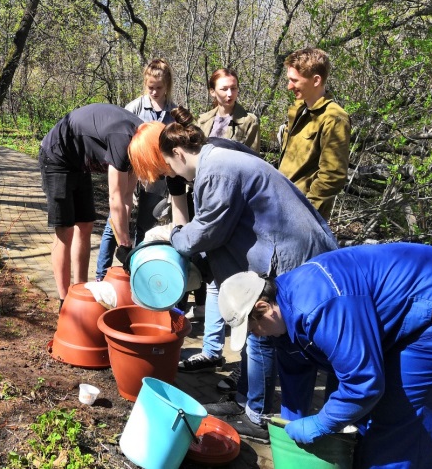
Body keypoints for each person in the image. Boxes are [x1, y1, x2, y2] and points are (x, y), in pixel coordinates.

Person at [130, 106, 337, 443]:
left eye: (166, 166)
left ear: (174, 153)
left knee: (262, 333)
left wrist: (171, 237)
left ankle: (257, 415)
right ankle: (244, 401)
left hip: (289, 253)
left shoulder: (218, 169)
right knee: (252, 332)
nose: (169, 175)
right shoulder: (210, 163)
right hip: (274, 248)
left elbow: (209, 230)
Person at [219, 243, 432, 469]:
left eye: (252, 329)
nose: (256, 336)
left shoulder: (319, 307)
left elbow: (363, 384)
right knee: (346, 408)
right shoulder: (283, 313)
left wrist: (321, 424)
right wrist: (290, 434)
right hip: (406, 307)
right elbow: (295, 376)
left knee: (397, 422)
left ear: (262, 308)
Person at [178, 69, 259, 380]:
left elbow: (250, 160)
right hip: (206, 201)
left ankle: (247, 361)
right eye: (224, 89)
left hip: (235, 205)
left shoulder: (248, 121)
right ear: (213, 92)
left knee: (241, 282)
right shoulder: (204, 119)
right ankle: (212, 351)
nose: (230, 94)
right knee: (213, 279)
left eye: (234, 88)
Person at [39, 103, 142, 303]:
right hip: (56, 157)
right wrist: (123, 243)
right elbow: (115, 199)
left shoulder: (141, 141)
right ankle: (64, 300)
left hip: (78, 162)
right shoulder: (123, 141)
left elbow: (128, 196)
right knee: (65, 231)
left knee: (85, 225)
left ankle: (81, 291)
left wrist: (126, 239)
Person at [95, 59, 180, 280]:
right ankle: (101, 274)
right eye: (150, 87)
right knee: (115, 221)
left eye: (159, 88)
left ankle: (138, 274)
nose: (154, 91)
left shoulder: (174, 112)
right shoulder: (134, 108)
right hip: (130, 172)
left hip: (156, 178)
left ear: (167, 86)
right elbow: (120, 144)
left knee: (145, 225)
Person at [278, 47, 350, 220]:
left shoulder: (334, 118)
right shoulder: (299, 110)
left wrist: (306, 213)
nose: (289, 87)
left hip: (301, 215)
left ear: (316, 80)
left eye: (294, 80)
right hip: (280, 204)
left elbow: (333, 176)